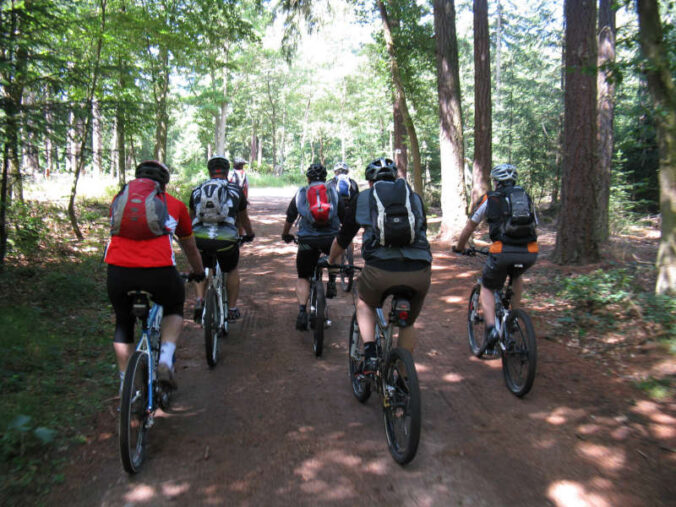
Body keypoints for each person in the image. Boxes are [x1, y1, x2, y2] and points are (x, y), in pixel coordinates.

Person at [105, 160, 205, 391]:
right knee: (173, 306)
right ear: (164, 184)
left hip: (118, 272)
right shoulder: (175, 206)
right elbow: (190, 247)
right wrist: (198, 272)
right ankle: (165, 360)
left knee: (123, 321)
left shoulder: (119, 201)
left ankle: (127, 386)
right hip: (159, 272)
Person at [327, 158, 432, 375]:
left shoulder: (363, 198)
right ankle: (403, 379)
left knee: (365, 302)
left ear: (370, 181)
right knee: (407, 323)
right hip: (419, 271)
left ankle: (371, 352)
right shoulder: (414, 198)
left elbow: (344, 238)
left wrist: (331, 260)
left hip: (380, 270)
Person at [453, 163, 538, 355]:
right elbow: (535, 225)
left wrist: (459, 247)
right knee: (516, 276)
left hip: (502, 251)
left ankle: (491, 329)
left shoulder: (490, 198)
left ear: (496, 181)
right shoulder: (525, 198)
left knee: (487, 286)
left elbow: (469, 227)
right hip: (529, 251)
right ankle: (514, 318)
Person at [191, 155, 255, 323]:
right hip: (226, 240)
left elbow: (191, 218)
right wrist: (249, 234)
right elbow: (243, 218)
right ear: (227, 172)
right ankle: (232, 308)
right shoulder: (235, 190)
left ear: (209, 171)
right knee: (232, 269)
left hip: (201, 239)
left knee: (202, 268)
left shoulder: (197, 190)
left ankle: (199, 300)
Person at [281, 163, 345, 330]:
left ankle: (302, 310)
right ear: (325, 178)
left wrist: (286, 234)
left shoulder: (301, 192)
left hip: (307, 240)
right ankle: (332, 280)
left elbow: (290, 216)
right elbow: (344, 216)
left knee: (303, 276)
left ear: (308, 178)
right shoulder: (333, 191)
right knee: (337, 247)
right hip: (329, 239)